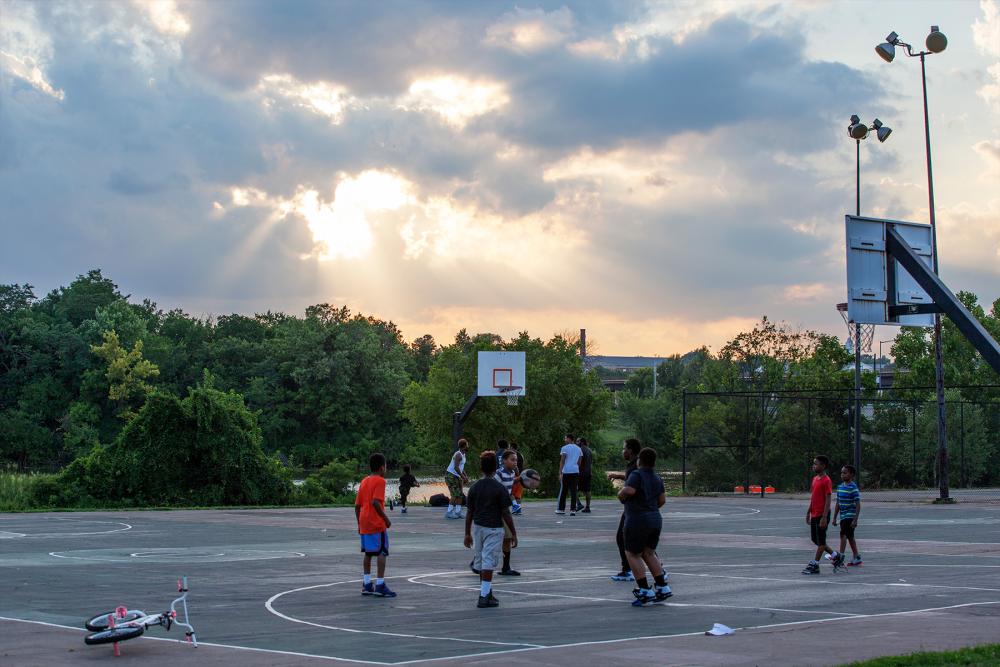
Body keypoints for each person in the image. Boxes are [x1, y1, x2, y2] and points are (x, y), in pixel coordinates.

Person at [464, 451, 517, 608]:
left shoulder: (474, 488)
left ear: (481, 468)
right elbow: (506, 513)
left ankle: (487, 592)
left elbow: (469, 512)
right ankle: (484, 596)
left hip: (478, 528)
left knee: (481, 561)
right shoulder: (499, 488)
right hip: (494, 528)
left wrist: (467, 533)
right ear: (496, 467)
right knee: (488, 561)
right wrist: (513, 532)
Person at [618, 447, 671, 605]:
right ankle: (662, 586)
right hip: (655, 518)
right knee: (649, 553)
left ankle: (644, 590)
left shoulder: (636, 474)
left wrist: (620, 495)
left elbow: (629, 490)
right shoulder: (657, 478)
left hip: (637, 519)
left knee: (633, 554)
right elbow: (662, 500)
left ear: (640, 460)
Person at [355, 453, 396, 597]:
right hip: (376, 522)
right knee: (382, 551)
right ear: (381, 468)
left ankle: (366, 584)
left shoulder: (364, 481)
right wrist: (385, 519)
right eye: (385, 467)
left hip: (364, 521)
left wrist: (359, 524)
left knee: (368, 553)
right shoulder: (380, 481)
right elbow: (376, 502)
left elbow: (357, 505)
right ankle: (380, 584)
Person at [802, 455, 844, 574]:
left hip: (822, 515)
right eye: (814, 463)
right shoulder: (815, 479)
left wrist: (824, 517)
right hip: (814, 513)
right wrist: (808, 512)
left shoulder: (827, 480)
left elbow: (828, 499)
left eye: (816, 464)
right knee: (815, 540)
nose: (814, 466)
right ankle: (836, 556)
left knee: (821, 541)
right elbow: (813, 497)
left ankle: (815, 564)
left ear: (823, 466)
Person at [607, 438, 642, 581]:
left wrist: (623, 495)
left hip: (635, 509)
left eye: (624, 448)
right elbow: (630, 477)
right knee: (639, 541)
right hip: (634, 508)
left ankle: (628, 570)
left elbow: (633, 486)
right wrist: (617, 475)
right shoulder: (635, 465)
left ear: (630, 450)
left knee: (622, 537)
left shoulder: (636, 466)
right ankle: (659, 568)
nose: (622, 451)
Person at [833, 464, 863, 566]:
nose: (842, 474)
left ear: (851, 475)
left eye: (845, 473)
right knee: (850, 537)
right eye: (841, 473)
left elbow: (858, 504)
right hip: (843, 516)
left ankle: (840, 557)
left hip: (849, 516)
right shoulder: (840, 487)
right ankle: (857, 557)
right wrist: (834, 517)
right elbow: (838, 503)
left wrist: (855, 519)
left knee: (843, 535)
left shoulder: (853, 487)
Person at [556, 434, 582, 515]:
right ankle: (573, 510)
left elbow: (562, 460)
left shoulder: (564, 448)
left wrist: (560, 472)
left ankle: (561, 509)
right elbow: (579, 461)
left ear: (569, 439)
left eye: (565, 438)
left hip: (566, 471)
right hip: (575, 471)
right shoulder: (578, 449)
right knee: (573, 491)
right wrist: (575, 467)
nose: (564, 440)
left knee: (564, 490)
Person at [445, 438, 471, 519]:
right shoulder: (458, 454)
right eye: (467, 444)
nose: (468, 446)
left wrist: (465, 476)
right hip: (451, 476)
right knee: (454, 494)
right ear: (464, 446)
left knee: (460, 494)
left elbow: (461, 467)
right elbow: (456, 467)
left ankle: (458, 512)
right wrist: (463, 477)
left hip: (457, 476)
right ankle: (449, 512)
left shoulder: (463, 454)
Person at [576, 437, 594, 513]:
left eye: (578, 441)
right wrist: (591, 472)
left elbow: (578, 462)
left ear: (582, 442)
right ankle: (588, 507)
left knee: (573, 488)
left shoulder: (580, 450)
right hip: (588, 473)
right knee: (587, 490)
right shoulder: (590, 450)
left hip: (580, 473)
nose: (576, 443)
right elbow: (591, 463)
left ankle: (579, 504)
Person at [509, 442, 524, 515]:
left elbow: (515, 466)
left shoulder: (511, 456)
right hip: (521, 477)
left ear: (512, 447)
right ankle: (519, 509)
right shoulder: (521, 455)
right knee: (518, 494)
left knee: (510, 493)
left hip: (514, 476)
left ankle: (515, 506)